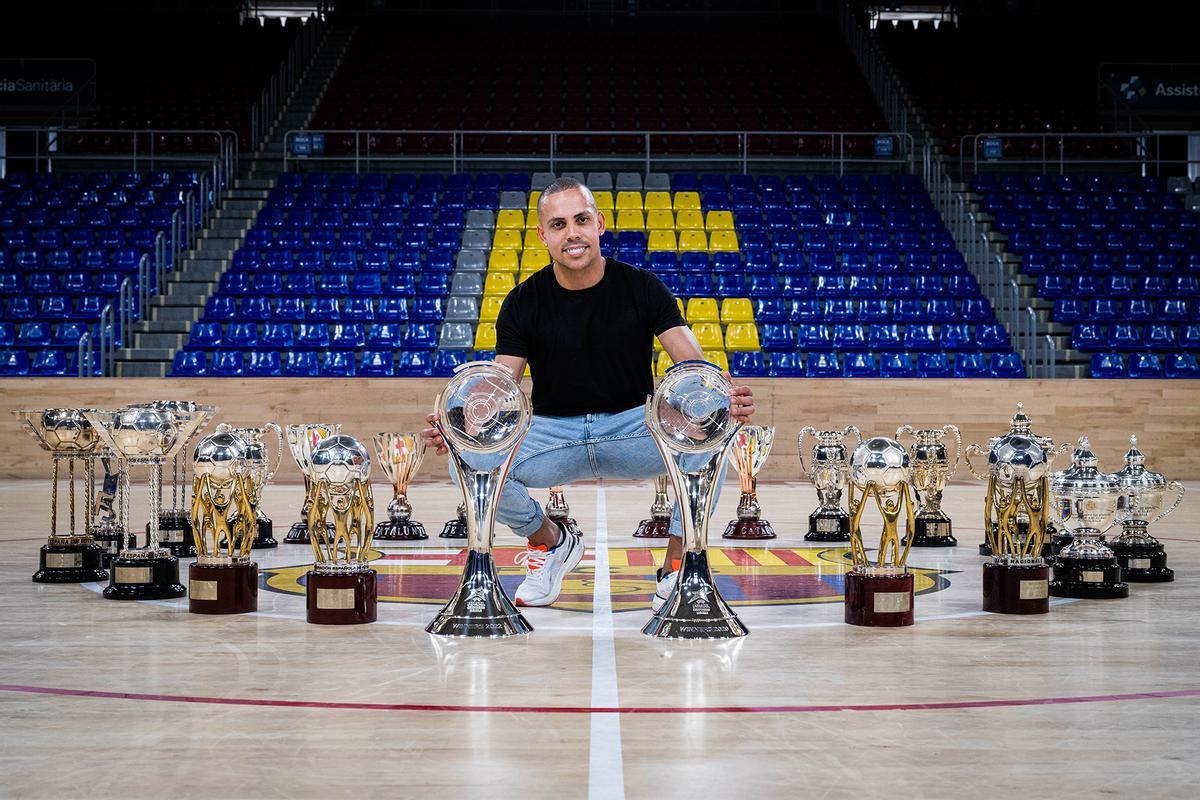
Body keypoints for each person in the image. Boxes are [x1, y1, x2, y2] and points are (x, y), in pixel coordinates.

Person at [424, 177, 755, 609]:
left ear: (599, 223)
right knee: (466, 462)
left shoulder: (643, 287)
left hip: (633, 429)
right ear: (543, 235)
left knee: (711, 437)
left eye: (581, 220)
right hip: (552, 435)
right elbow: (499, 386)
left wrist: (724, 396)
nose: (572, 233)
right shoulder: (523, 300)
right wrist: (460, 426)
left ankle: (677, 569)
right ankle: (551, 542)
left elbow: (693, 367)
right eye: (558, 224)